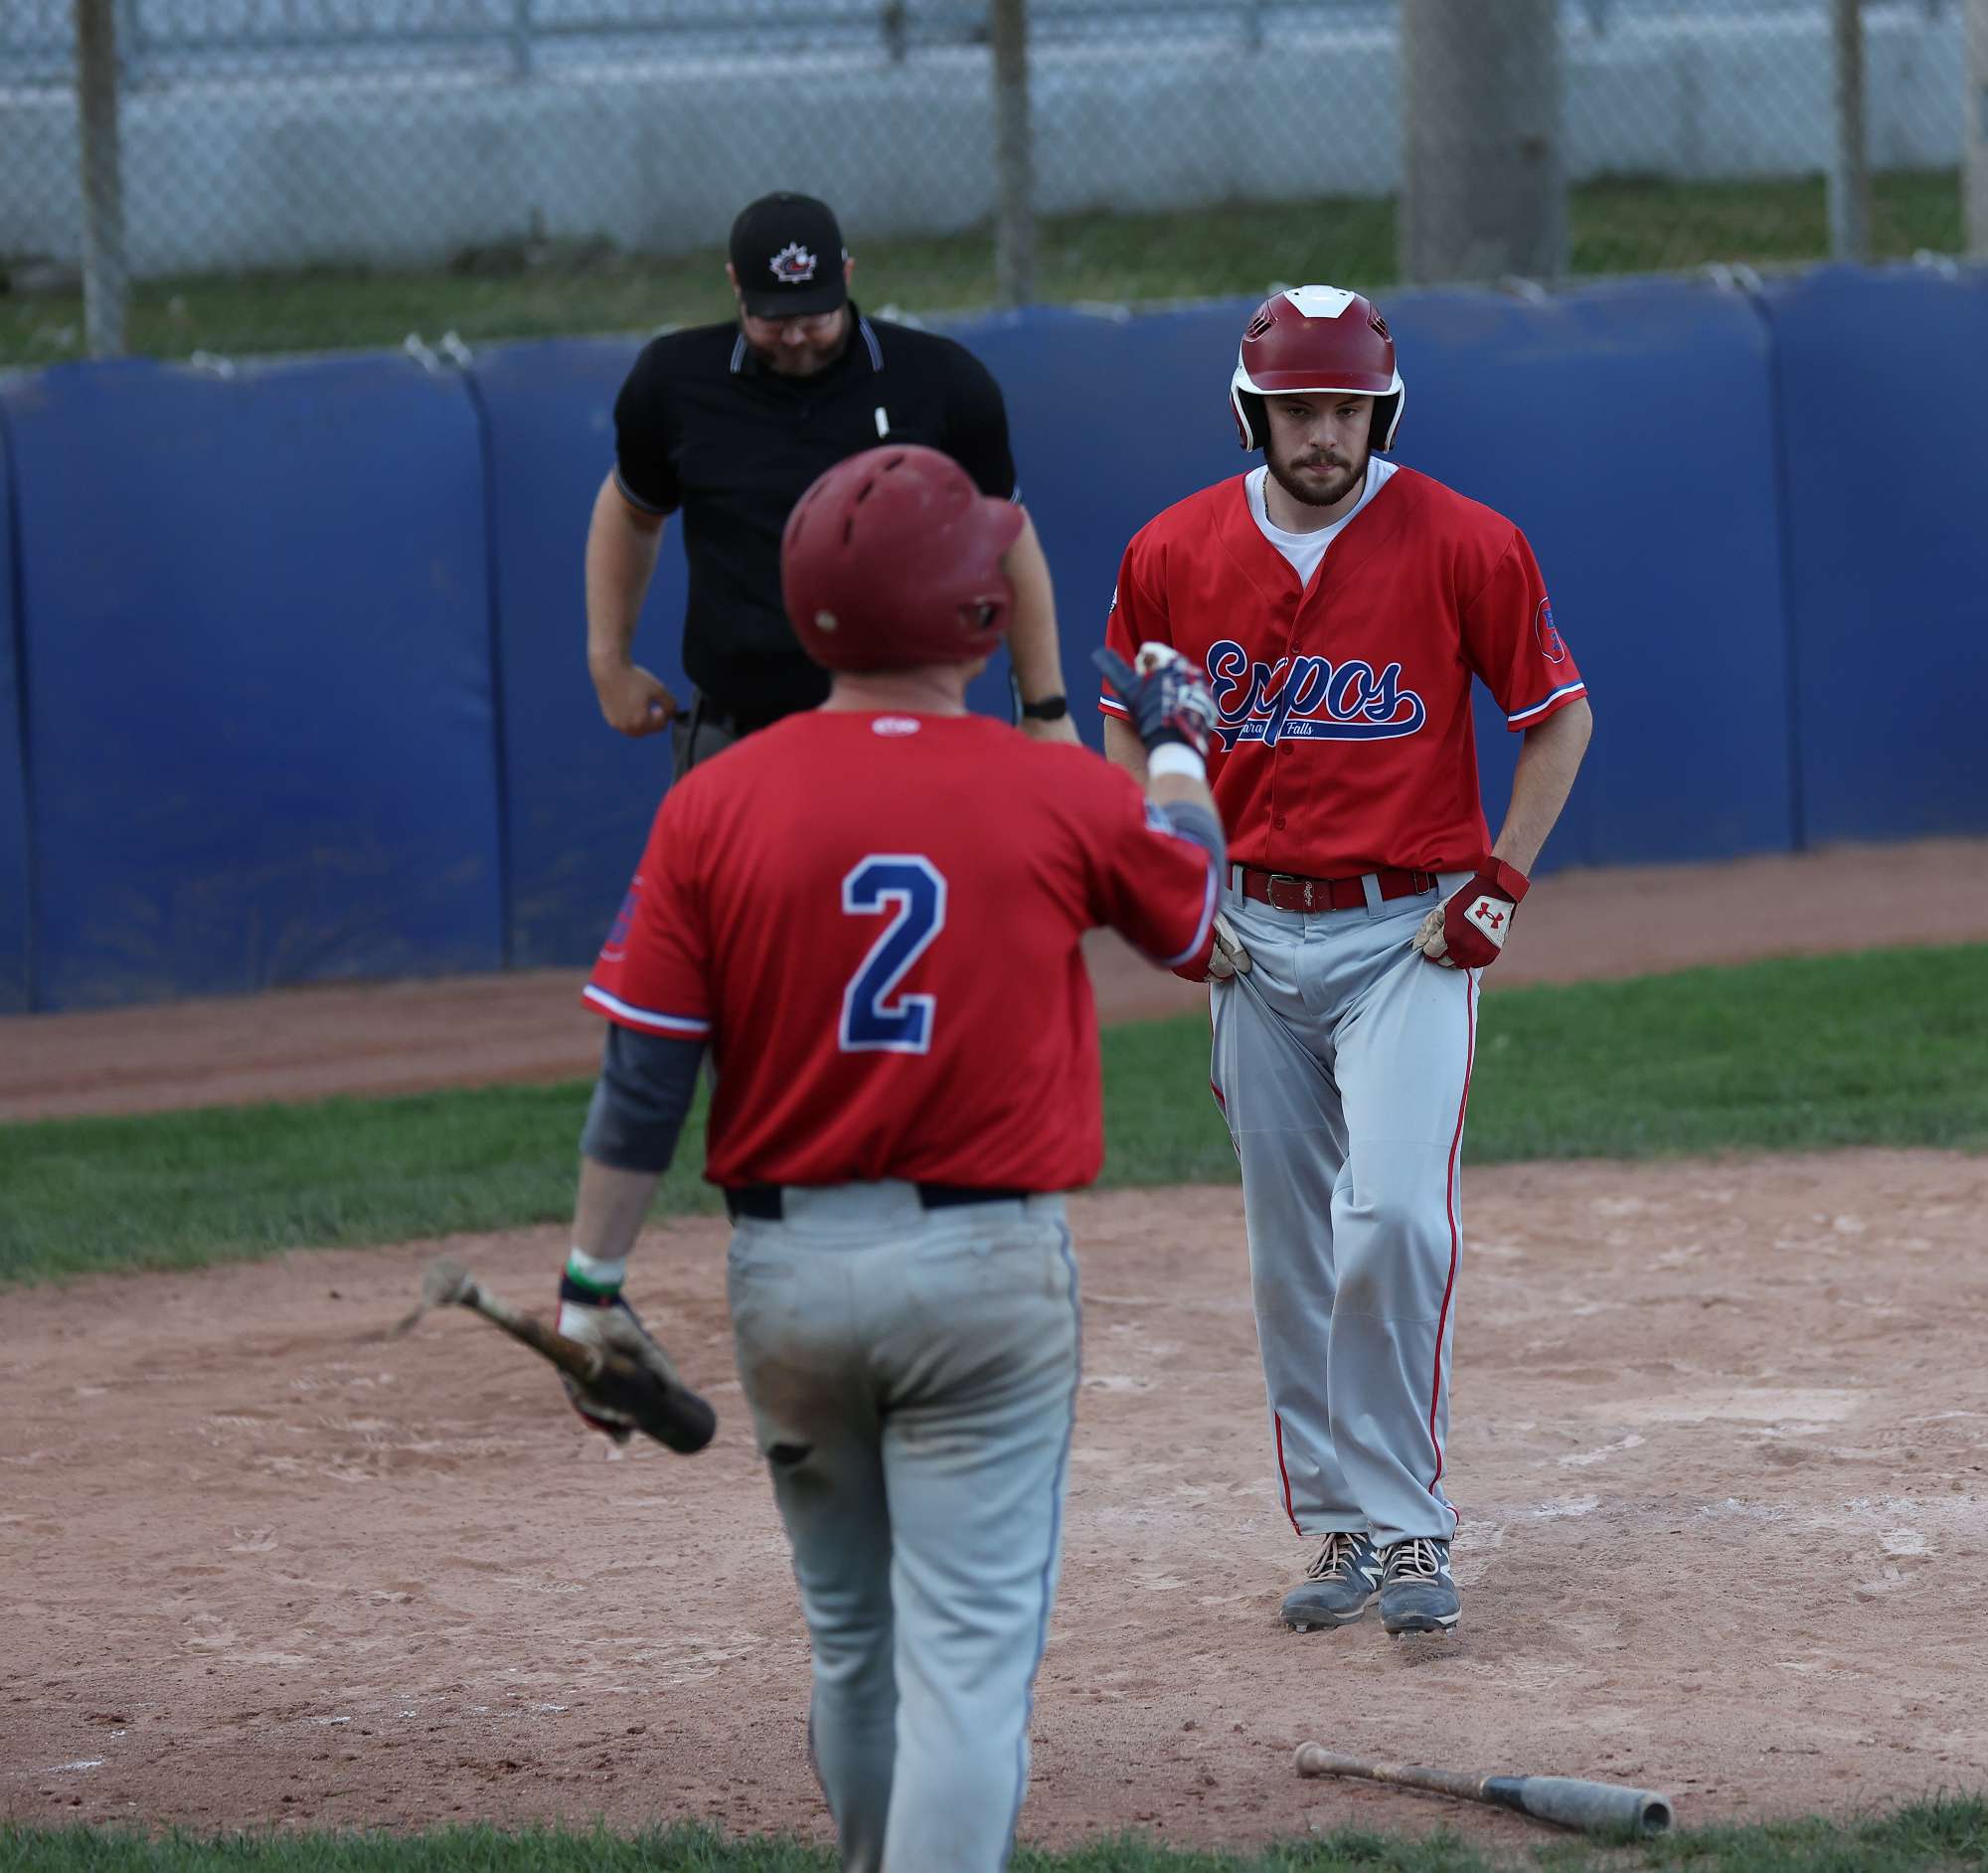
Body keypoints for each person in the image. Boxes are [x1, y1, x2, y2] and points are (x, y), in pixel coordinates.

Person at [550, 442, 1227, 1870]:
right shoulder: (1048, 789)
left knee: (855, 1644)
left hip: (787, 1275)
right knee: (964, 1660)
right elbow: (1192, 920)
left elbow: (646, 1073)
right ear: (980, 614)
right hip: (983, 1274)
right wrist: (1176, 746)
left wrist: (589, 1288)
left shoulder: (713, 801)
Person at [1097, 285, 1593, 1639]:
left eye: (1347, 408)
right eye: (1298, 409)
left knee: (1393, 1219)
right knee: (1288, 1248)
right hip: (1251, 935)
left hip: (1407, 932)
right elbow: (1131, 725)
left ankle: (1410, 1522)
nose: (1323, 432)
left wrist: (1500, 882)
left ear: (1384, 410)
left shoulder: (1465, 540)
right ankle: (1340, 1524)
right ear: (1252, 412)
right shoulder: (1171, 550)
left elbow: (1558, 718)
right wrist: (1168, 879)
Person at [584, 190, 1077, 775]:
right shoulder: (674, 383)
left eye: (813, 318)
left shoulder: (940, 383)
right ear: (736, 284)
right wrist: (609, 662)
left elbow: (1009, 538)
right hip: (739, 732)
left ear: (846, 276)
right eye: (773, 320)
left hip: (904, 725)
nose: (795, 338)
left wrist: (1045, 709)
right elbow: (632, 511)